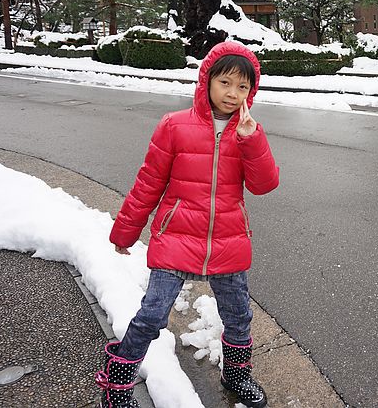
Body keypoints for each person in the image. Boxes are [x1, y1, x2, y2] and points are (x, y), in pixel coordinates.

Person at [95, 42, 279, 408]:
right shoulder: (174, 125)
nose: (233, 93)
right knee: (152, 315)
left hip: (228, 239)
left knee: (239, 317)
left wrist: (250, 139)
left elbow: (264, 184)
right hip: (176, 236)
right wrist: (126, 230)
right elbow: (149, 182)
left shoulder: (248, 131)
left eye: (243, 87)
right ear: (206, 81)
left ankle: (237, 375)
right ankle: (116, 385)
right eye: (225, 83)